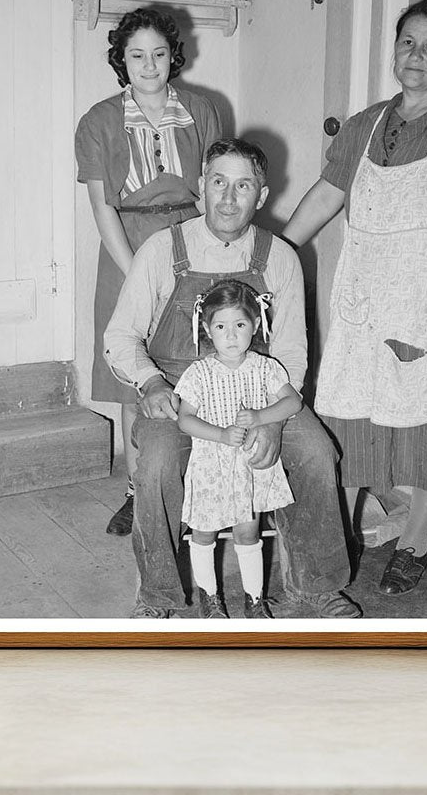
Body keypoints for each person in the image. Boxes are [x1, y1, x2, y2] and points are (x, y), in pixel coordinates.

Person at [104, 138, 360, 619]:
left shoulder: (279, 255)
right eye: (218, 182)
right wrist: (150, 382)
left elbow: (290, 354)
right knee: (156, 463)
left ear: (261, 196)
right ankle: (158, 595)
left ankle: (316, 585)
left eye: (243, 186)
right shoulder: (163, 249)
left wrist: (273, 421)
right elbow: (121, 336)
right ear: (202, 188)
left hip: (261, 392)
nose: (227, 197)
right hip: (181, 395)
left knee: (316, 453)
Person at [285, 0, 427, 597]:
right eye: (407, 43)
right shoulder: (365, 123)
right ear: (393, 50)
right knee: (350, 415)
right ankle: (338, 536)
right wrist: (275, 253)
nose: (416, 55)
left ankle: (417, 538)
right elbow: (326, 195)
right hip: (368, 298)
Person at [74, 8, 220, 537]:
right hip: (127, 248)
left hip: (191, 243)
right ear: (122, 60)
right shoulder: (98, 120)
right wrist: (142, 274)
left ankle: (193, 487)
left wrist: (204, 260)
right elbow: (101, 208)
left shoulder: (202, 110)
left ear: (173, 56)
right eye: (137, 54)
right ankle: (139, 495)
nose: (149, 64)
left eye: (159, 53)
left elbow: (212, 190)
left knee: (197, 367)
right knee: (137, 373)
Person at [175, 279, 300, 620]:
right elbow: (185, 419)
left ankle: (254, 600)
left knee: (248, 531)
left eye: (240, 325)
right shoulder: (199, 373)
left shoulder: (265, 368)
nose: (230, 336)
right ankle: (211, 599)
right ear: (207, 328)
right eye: (221, 326)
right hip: (211, 466)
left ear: (256, 325)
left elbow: (293, 402)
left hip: (249, 466)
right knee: (204, 532)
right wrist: (219, 434)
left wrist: (262, 415)